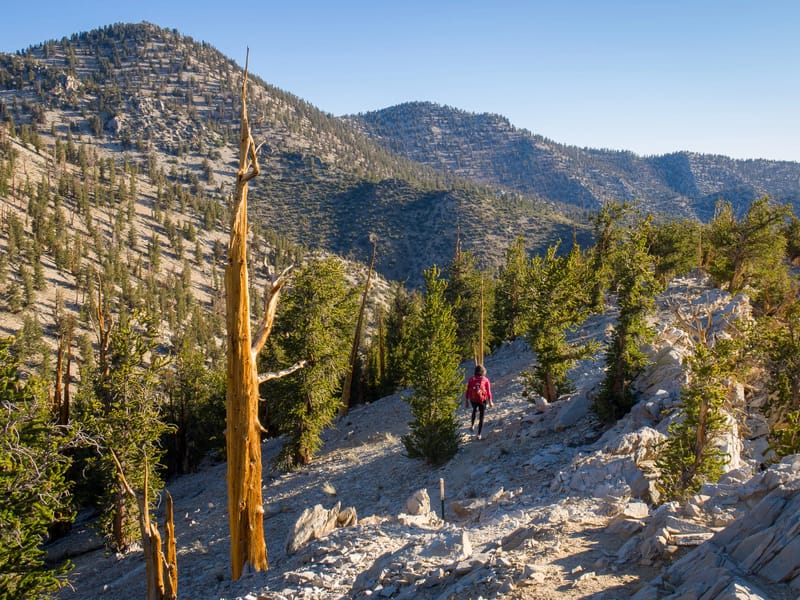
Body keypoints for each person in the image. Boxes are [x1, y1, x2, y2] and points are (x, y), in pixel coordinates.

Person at [464, 365, 493, 440]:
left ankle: (472, 425)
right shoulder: (485, 380)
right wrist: (490, 401)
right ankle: (479, 434)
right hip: (482, 399)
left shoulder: (471, 379)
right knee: (481, 416)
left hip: (473, 399)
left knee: (474, 410)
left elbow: (468, 390)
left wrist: (466, 400)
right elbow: (488, 391)